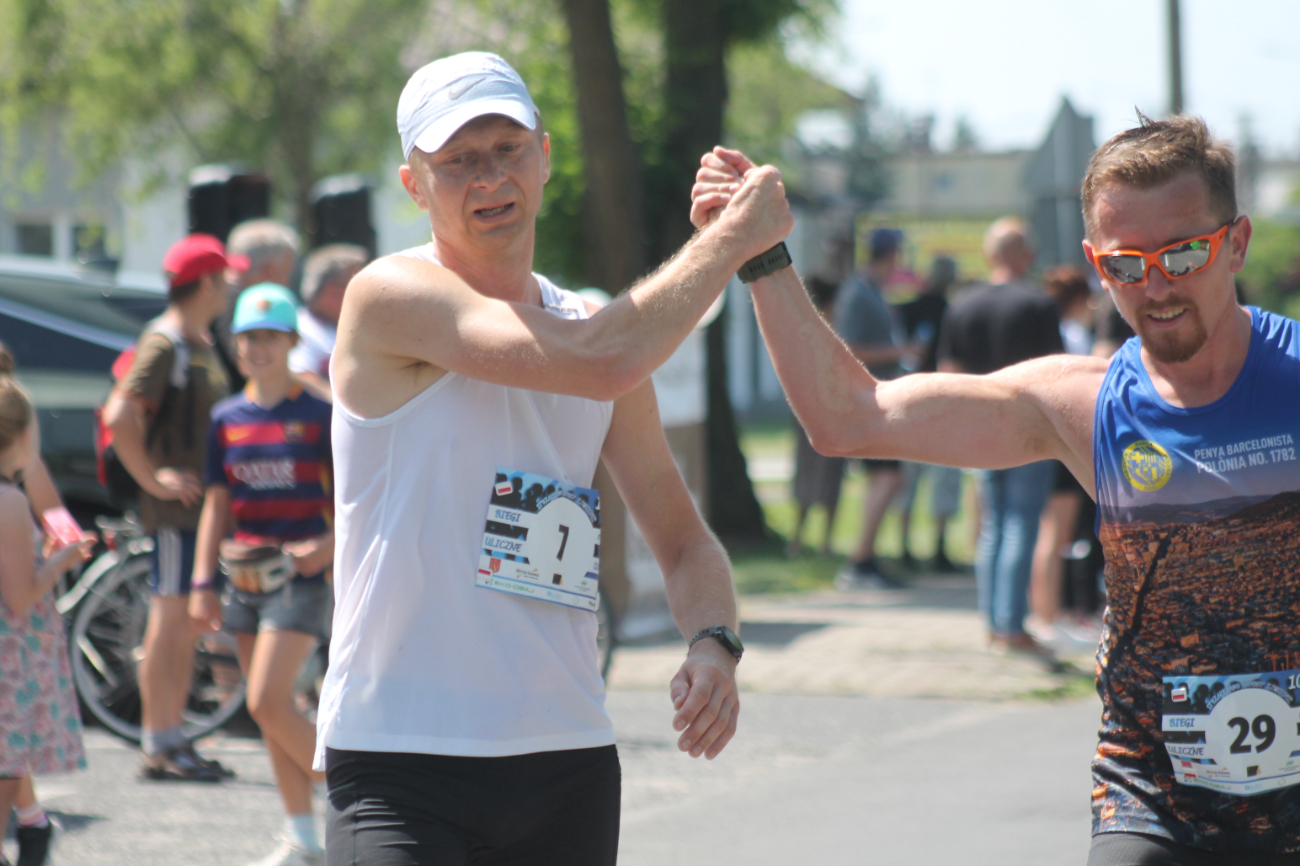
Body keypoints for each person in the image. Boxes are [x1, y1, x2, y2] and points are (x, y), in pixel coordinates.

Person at [693, 113, 1300, 863]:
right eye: (1126, 265)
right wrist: (760, 255)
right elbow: (848, 418)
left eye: (1182, 253)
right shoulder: (1083, 402)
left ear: (1235, 242)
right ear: (1094, 264)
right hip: (1154, 800)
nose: (1156, 286)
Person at [316, 51, 790, 866]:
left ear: (544, 156)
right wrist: (730, 241)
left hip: (566, 761)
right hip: (402, 758)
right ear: (413, 185)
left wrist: (714, 643)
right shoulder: (389, 296)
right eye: (458, 160)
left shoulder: (587, 329)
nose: (489, 177)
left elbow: (685, 542)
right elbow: (603, 359)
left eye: (507, 148)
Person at [190, 284, 334, 866]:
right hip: (242, 579)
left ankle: (355, 794)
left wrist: (328, 548)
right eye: (249, 337)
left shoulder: (320, 414)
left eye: (271, 336)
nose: (258, 348)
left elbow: (355, 501)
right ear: (235, 343)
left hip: (300, 579)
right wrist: (201, 582)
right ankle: (302, 838)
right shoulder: (225, 418)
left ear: (292, 341)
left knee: (267, 703)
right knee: (267, 711)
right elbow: (215, 505)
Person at [102, 233, 237, 782]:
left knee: (184, 627)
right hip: (176, 514)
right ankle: (159, 743)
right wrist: (153, 481)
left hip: (196, 514)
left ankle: (172, 737)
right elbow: (120, 415)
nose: (229, 286)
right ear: (206, 284)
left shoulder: (195, 340)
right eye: (224, 277)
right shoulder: (165, 342)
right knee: (170, 623)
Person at [934, 218, 1064, 653]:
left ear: (989, 254)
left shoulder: (962, 305)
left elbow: (948, 373)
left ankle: (993, 623)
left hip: (978, 428)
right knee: (1021, 523)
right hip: (1028, 427)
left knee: (992, 527)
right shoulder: (1038, 304)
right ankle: (1012, 627)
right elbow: (1055, 373)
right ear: (1025, 255)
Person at [0, 372, 95, 866]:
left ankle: (33, 827)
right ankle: (32, 831)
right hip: (10, 666)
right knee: (6, 765)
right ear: (20, 434)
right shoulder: (10, 501)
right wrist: (61, 560)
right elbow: (20, 596)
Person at [832, 227, 914, 590]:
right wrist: (901, 352)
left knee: (889, 479)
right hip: (866, 400)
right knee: (887, 478)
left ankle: (865, 557)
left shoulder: (872, 289)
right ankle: (859, 561)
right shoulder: (858, 292)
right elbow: (848, 348)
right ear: (891, 253)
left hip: (879, 397)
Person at [1028, 266, 1095, 644]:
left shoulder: (1046, 332)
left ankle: (1043, 613)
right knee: (1057, 534)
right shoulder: (1074, 335)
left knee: (1044, 532)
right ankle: (1047, 617)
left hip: (1043, 443)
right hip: (1065, 444)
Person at [894, 256, 963, 571]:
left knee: (909, 479)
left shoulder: (904, 310)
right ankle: (939, 546)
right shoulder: (954, 312)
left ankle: (903, 545)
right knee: (944, 478)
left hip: (909, 400)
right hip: (945, 402)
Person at [787, 278, 846, 557]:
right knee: (828, 477)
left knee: (807, 474)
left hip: (804, 412)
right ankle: (823, 541)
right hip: (827, 412)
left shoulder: (799, 330)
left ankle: (798, 540)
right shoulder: (828, 332)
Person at [218, 220, 302, 390]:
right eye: (286, 274)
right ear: (269, 269)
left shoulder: (217, 295)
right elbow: (250, 370)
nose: (287, 283)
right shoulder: (229, 303)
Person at [288, 244, 368, 394]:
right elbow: (299, 376)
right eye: (358, 285)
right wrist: (339, 402)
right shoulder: (301, 327)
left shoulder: (350, 326)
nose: (365, 293)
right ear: (332, 291)